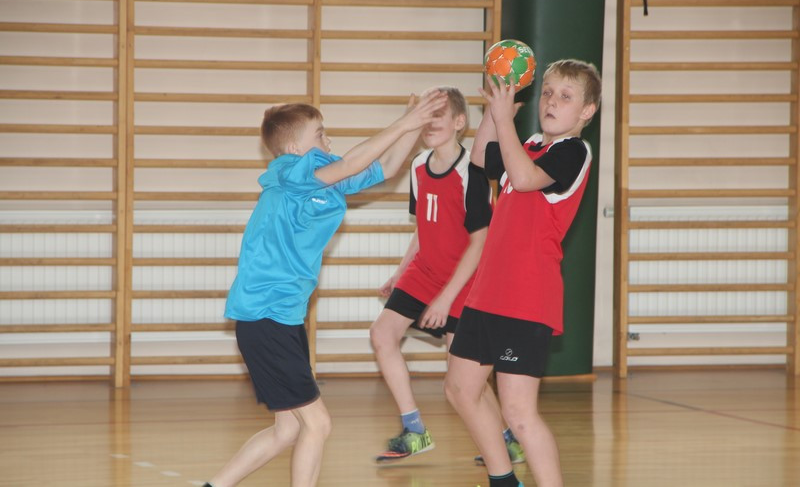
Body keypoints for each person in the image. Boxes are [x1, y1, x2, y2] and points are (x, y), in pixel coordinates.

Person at [203, 90, 448, 487]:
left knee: (288, 429)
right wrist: (405, 123)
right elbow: (351, 162)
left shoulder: (321, 182)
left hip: (280, 319)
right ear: (295, 149)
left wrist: (413, 127)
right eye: (320, 134)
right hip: (266, 317)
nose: (327, 140)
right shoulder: (288, 171)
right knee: (318, 424)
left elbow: (385, 167)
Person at [444, 59, 601, 487]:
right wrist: (496, 113)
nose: (551, 101)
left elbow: (524, 177)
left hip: (526, 297)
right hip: (487, 292)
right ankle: (503, 480)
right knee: (460, 389)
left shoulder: (574, 151)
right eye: (547, 92)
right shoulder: (529, 143)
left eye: (565, 97)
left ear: (587, 111)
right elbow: (482, 158)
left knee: (518, 412)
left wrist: (502, 122)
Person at [369, 86, 525, 464]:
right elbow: (423, 226)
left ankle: (507, 438)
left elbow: (479, 242)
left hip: (467, 280)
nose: (430, 122)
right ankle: (414, 430)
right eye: (427, 114)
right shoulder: (418, 166)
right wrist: (400, 272)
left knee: (466, 379)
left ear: (459, 122)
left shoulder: (472, 172)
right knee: (382, 334)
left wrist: (444, 298)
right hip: (425, 271)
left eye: (439, 114)